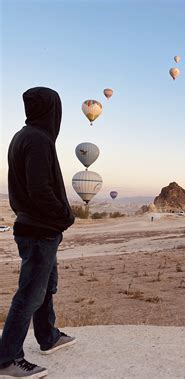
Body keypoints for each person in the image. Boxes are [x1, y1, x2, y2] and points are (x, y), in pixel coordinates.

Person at [0, 87, 76, 378]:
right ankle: (7, 359)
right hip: (39, 229)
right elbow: (40, 190)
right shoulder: (38, 140)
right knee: (30, 294)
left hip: (36, 227)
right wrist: (64, 215)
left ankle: (48, 337)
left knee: (44, 287)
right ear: (51, 109)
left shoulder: (23, 136)